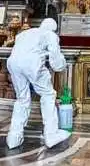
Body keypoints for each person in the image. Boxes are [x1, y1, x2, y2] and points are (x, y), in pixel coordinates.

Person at [6, 18, 70, 149]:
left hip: (13, 63)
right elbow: (56, 62)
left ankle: (14, 137)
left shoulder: (23, 34)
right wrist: (62, 65)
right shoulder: (50, 35)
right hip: (31, 64)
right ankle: (51, 135)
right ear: (54, 29)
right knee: (48, 95)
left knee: (22, 99)